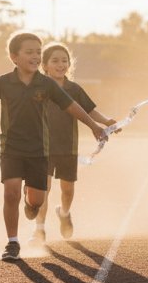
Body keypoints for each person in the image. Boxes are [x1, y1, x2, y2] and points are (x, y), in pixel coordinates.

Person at [0, 32, 108, 261]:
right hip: (11, 149)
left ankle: (31, 200)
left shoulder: (46, 84)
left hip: (39, 151)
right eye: (30, 52)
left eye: (38, 52)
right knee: (10, 193)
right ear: (14, 57)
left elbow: (71, 106)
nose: (36, 56)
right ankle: (12, 243)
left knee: (36, 202)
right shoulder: (4, 82)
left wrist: (94, 125)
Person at [34, 42, 118, 241]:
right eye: (55, 61)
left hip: (67, 147)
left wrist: (106, 121)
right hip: (42, 148)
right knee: (43, 190)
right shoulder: (37, 88)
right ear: (44, 65)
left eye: (64, 60)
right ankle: (39, 229)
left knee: (68, 189)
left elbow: (89, 109)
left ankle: (63, 213)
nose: (60, 64)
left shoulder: (74, 89)